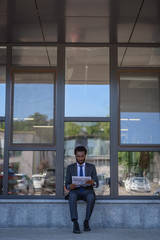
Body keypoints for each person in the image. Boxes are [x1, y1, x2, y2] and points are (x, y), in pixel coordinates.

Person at [65, 145, 99, 234]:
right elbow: (67, 183)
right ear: (75, 156)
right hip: (75, 191)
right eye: (78, 156)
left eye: (82, 156)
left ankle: (86, 222)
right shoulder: (70, 167)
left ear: (85, 156)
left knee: (91, 197)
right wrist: (70, 186)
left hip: (87, 191)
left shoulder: (91, 167)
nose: (80, 158)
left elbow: (97, 183)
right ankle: (75, 223)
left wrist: (93, 182)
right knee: (71, 195)